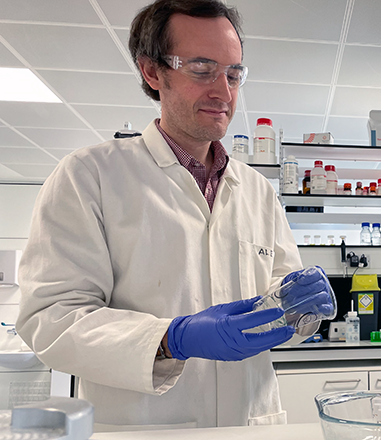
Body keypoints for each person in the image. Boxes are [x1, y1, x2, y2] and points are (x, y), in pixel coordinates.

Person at [16, 0, 332, 430]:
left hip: (250, 425)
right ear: (152, 71)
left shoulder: (257, 190)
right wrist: (171, 339)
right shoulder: (89, 176)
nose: (224, 91)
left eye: (234, 73)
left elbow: (276, 305)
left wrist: (298, 308)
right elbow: (50, 321)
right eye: (202, 69)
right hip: (147, 429)